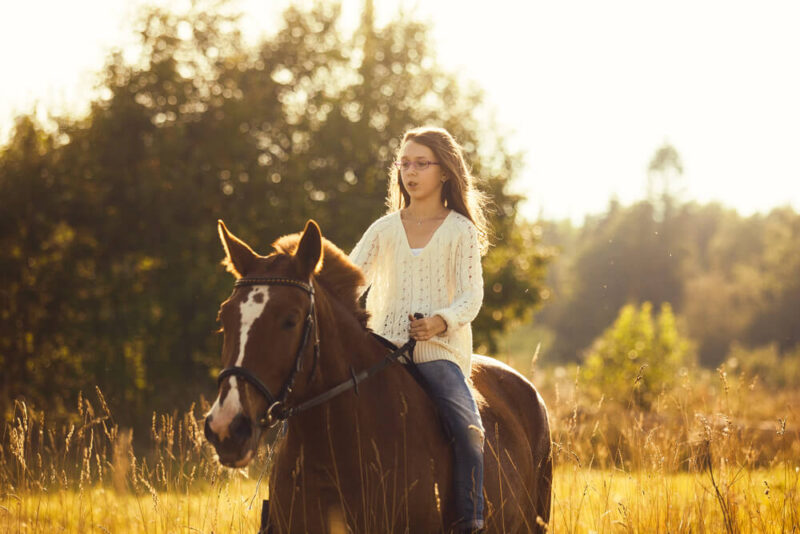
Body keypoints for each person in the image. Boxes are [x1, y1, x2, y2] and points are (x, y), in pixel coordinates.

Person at [349, 126, 489, 533]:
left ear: (444, 171)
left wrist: (439, 322)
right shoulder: (383, 229)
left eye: (420, 163)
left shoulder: (460, 230)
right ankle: (278, 518)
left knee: (469, 431)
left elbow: (471, 296)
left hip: (437, 355)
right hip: (379, 350)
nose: (410, 172)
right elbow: (351, 280)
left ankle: (469, 520)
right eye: (404, 163)